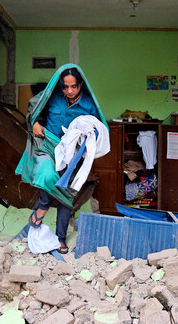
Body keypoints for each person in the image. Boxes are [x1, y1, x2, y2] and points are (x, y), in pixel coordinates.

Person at [16, 64, 108, 254]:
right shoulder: (51, 97)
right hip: (49, 147)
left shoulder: (89, 104)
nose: (69, 91)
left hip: (73, 155)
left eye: (74, 86)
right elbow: (34, 112)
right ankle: (42, 208)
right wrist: (36, 123)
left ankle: (60, 238)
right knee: (47, 175)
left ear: (81, 84)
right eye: (65, 87)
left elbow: (98, 131)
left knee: (65, 196)